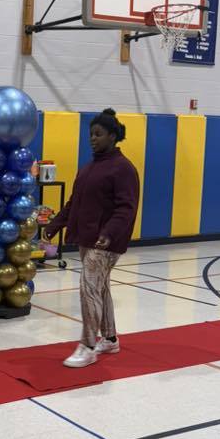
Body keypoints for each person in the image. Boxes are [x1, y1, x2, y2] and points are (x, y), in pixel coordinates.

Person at [44, 108, 139, 368]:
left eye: (98, 134)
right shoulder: (88, 169)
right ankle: (109, 338)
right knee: (100, 288)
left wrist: (109, 233)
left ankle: (87, 347)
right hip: (88, 239)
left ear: (112, 136)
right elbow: (74, 202)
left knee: (88, 288)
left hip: (107, 242)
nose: (93, 138)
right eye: (91, 134)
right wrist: (55, 225)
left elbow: (126, 208)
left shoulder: (123, 168)